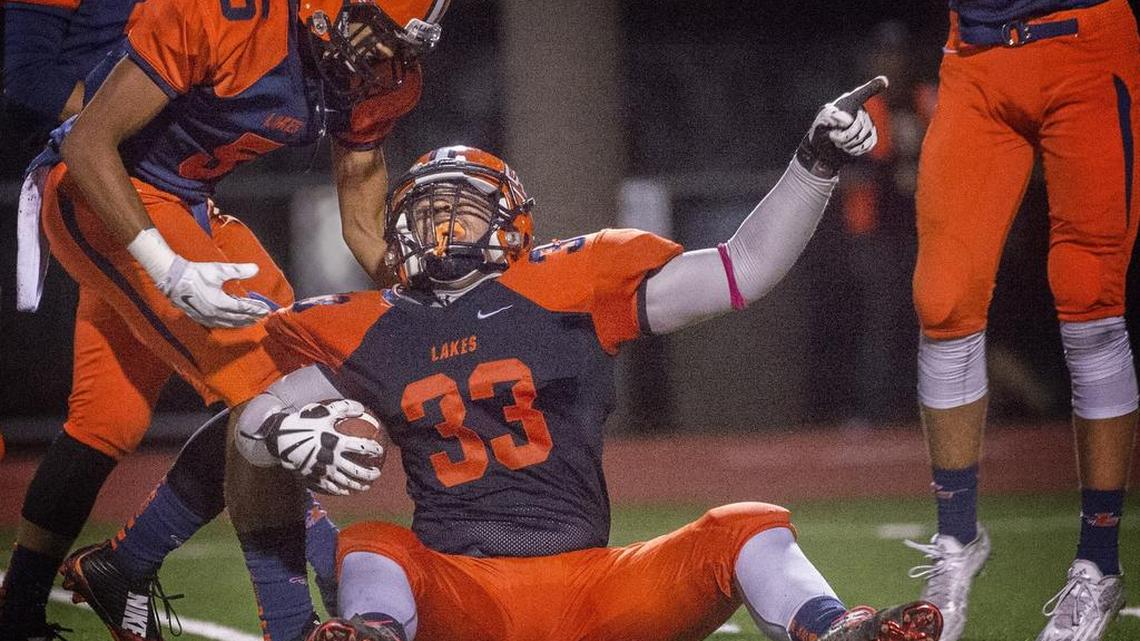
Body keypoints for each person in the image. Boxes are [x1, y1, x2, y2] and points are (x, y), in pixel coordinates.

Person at [226, 85, 942, 641]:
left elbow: (742, 269)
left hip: (597, 590)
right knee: (372, 542)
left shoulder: (568, 284)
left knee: (745, 524)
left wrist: (813, 165)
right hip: (462, 597)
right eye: (424, 212)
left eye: (463, 209)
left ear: (510, 222)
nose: (442, 225)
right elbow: (254, 412)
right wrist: (276, 436)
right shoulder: (376, 326)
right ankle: (376, 633)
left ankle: (835, 627)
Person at [5, 0, 450, 639]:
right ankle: (302, 616)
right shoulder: (222, 16)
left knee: (126, 414)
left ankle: (58, 594)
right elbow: (86, 141)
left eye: (405, 44)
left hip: (184, 204)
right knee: (269, 390)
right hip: (100, 193)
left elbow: (361, 223)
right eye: (378, 35)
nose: (389, 60)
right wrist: (164, 264)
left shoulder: (374, 79)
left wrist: (433, 297)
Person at [907, 2, 1139, 641]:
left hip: (1084, 46)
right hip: (976, 57)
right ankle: (956, 544)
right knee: (943, 299)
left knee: (1090, 300)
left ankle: (1099, 562)